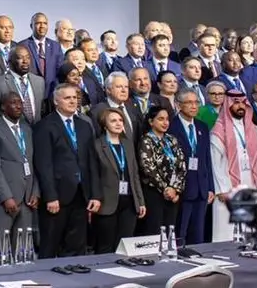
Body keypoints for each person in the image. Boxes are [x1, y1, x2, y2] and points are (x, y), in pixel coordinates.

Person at [33, 83, 101, 258]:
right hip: (57, 196)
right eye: (67, 98)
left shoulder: (84, 125)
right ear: (56, 101)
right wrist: (50, 196)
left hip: (81, 194)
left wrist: (95, 194)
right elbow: (44, 164)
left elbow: (91, 162)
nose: (73, 101)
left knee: (76, 245)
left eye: (75, 98)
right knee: (50, 246)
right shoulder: (45, 126)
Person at [211, 90, 257, 241]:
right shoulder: (218, 131)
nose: (240, 106)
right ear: (228, 105)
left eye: (243, 103)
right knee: (227, 230)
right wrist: (222, 189)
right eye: (236, 103)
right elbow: (215, 162)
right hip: (228, 186)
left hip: (250, 182)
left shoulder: (255, 130)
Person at [0, 92, 39, 252]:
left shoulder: (27, 129)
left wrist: (35, 191)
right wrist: (6, 197)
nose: (18, 106)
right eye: (13, 103)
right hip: (5, 200)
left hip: (27, 199)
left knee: (23, 249)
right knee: (0, 248)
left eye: (20, 103)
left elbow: (33, 162)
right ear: (3, 107)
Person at [92, 108, 145, 253]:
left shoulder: (127, 144)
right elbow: (94, 175)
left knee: (124, 246)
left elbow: (134, 174)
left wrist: (140, 201)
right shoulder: (97, 145)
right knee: (105, 247)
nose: (118, 123)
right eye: (113, 120)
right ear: (104, 125)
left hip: (129, 203)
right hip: (107, 203)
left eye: (121, 120)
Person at [167, 89, 214, 245]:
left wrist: (210, 187)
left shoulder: (202, 127)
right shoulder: (171, 127)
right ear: (178, 105)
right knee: (180, 232)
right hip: (182, 188)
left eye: (196, 102)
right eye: (189, 102)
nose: (194, 106)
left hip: (201, 188)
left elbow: (207, 159)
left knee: (198, 234)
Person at [137, 105, 187, 235]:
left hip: (173, 194)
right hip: (155, 193)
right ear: (151, 121)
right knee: (155, 231)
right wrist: (166, 189)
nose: (165, 122)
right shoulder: (146, 141)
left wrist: (175, 189)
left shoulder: (171, 139)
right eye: (160, 119)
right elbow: (148, 168)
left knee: (170, 231)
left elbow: (181, 165)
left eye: (167, 119)